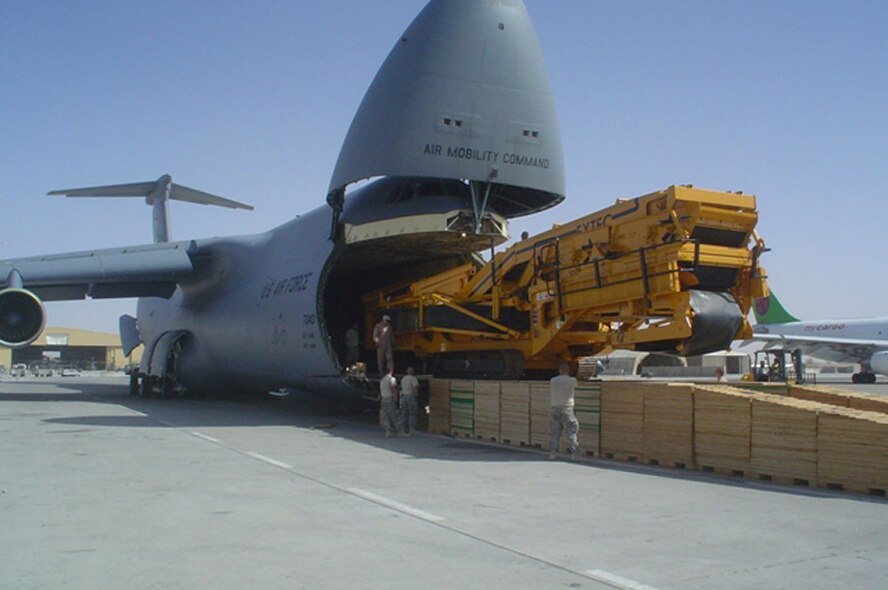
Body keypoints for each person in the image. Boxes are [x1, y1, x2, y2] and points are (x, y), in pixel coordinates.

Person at [549, 362, 580, 460]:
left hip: (555, 407)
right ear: (568, 370)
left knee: (555, 432)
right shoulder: (572, 380)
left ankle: (553, 453)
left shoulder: (553, 380)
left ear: (559, 370)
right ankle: (574, 454)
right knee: (570, 431)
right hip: (567, 407)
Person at [399, 366, 420, 436]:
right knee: (412, 413)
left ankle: (402, 429)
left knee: (404, 413)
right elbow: (415, 387)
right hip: (410, 396)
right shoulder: (413, 378)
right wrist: (416, 395)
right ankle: (411, 429)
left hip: (404, 396)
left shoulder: (404, 378)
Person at [379, 365, 399, 437]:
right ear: (391, 371)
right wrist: (396, 398)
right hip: (389, 398)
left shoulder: (382, 380)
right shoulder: (391, 379)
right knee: (393, 414)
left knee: (386, 415)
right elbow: (392, 389)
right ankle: (397, 429)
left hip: (383, 398)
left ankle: (388, 430)